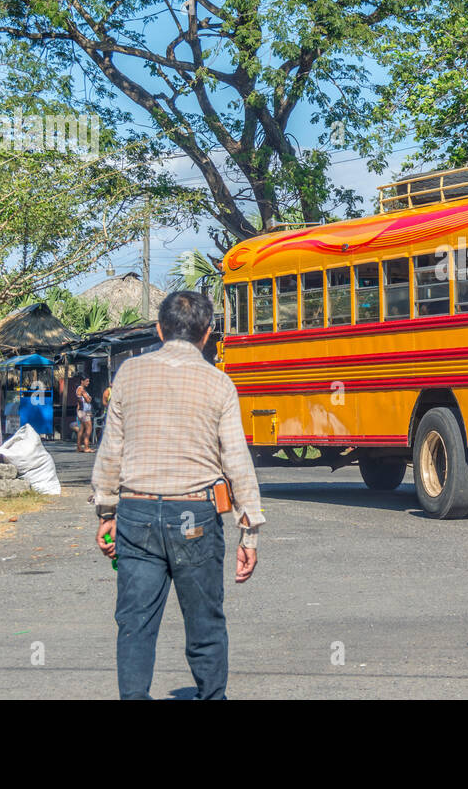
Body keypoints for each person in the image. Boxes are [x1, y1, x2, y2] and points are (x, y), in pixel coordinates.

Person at [92, 291, 264, 699]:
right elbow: (236, 459)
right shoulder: (219, 383)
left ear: (158, 330)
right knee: (205, 623)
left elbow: (111, 451)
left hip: (137, 513)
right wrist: (250, 530)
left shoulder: (129, 374)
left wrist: (105, 511)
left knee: (135, 623)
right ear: (207, 335)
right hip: (196, 517)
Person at [76, 377, 94, 452]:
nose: (88, 383)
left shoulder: (81, 389)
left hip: (82, 411)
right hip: (84, 411)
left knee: (82, 429)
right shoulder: (81, 390)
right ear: (82, 381)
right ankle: (86, 447)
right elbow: (88, 400)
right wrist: (89, 398)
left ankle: (79, 447)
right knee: (89, 428)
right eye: (86, 381)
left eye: (88, 381)